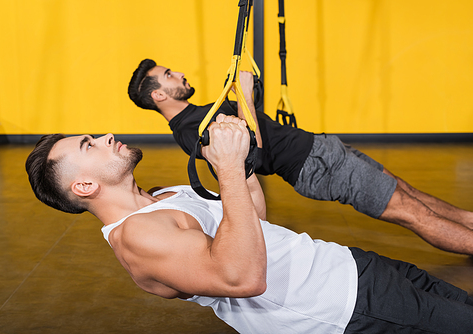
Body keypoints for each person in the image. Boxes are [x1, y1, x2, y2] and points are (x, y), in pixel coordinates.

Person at [25, 114, 473, 333]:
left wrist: (240, 164)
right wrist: (224, 170)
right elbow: (242, 276)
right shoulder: (137, 237)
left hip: (351, 270)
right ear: (84, 187)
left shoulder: (162, 197)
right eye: (88, 145)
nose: (104, 136)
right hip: (344, 308)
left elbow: (252, 223)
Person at [127, 58, 473, 256]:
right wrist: (244, 94)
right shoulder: (189, 131)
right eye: (170, 76)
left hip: (321, 149)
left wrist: (247, 94)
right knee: (410, 212)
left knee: (405, 191)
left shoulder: (198, 113)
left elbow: (250, 125)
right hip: (315, 166)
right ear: (158, 94)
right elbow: (251, 155)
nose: (181, 74)